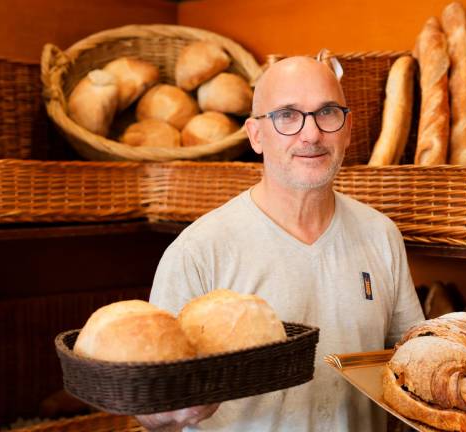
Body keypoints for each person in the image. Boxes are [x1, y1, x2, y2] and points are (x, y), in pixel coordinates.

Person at [139, 56, 424, 431]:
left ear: (348, 128)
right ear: (255, 135)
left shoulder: (380, 234)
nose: (311, 135)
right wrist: (162, 411)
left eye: (327, 112)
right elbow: (150, 404)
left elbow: (414, 359)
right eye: (287, 116)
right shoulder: (200, 251)